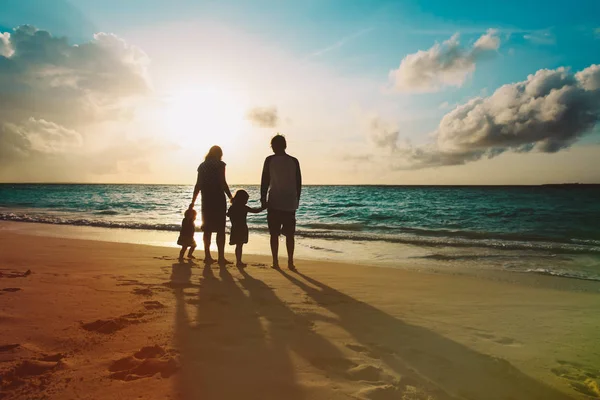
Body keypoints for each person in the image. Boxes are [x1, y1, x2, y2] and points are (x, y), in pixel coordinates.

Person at [260, 134, 302, 271]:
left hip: (274, 201)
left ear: (273, 146)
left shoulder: (269, 160)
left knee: (274, 234)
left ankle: (275, 262)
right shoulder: (294, 161)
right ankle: (290, 262)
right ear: (285, 145)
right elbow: (298, 183)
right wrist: (297, 200)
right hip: (290, 201)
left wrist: (263, 198)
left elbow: (264, 181)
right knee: (290, 235)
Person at [191, 145, 233, 264]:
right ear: (219, 154)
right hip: (218, 199)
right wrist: (230, 197)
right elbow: (222, 182)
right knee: (220, 229)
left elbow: (198, 185)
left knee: (207, 229)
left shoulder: (202, 166)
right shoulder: (220, 165)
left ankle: (207, 256)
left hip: (206, 200)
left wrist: (193, 201)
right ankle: (220, 257)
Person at [227, 189, 264, 267]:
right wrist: (263, 208)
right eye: (246, 200)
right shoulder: (244, 207)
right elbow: (255, 211)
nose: (246, 201)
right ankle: (238, 261)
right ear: (242, 199)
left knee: (238, 245)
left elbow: (228, 215)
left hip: (234, 228)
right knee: (240, 245)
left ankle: (238, 261)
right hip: (242, 228)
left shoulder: (232, 207)